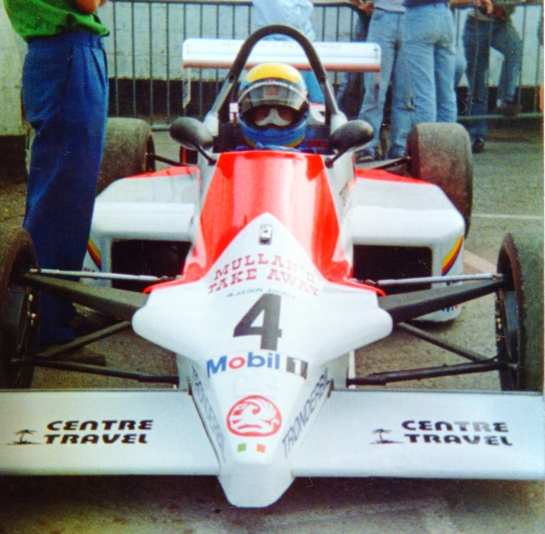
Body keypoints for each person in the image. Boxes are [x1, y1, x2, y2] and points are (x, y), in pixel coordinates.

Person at [3, 0, 109, 348]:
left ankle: (49, 313)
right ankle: (46, 328)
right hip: (69, 54)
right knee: (63, 200)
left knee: (57, 192)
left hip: (58, 54)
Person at [395, 0, 462, 148]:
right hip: (445, 13)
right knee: (446, 93)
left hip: (420, 14)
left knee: (424, 94)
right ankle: (447, 150)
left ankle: (427, 152)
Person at [462, 2, 523, 153]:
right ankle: (478, 136)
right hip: (476, 23)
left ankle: (505, 98)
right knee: (477, 82)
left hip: (501, 22)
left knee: (515, 50)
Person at [354, 0, 410, 161]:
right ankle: (366, 147)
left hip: (411, 16)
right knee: (374, 89)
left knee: (406, 93)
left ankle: (400, 148)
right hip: (384, 15)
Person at [252, 0, 324, 104]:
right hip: (287, 47)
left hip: (302, 43)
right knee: (295, 95)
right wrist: (306, 5)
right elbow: (291, 18)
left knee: (318, 95)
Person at [237, 62, 310, 148]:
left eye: (283, 113)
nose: (273, 120)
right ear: (248, 115)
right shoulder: (229, 159)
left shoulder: (318, 159)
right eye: (264, 113)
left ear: (299, 114)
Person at [336, 0, 373, 119]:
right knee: (355, 73)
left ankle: (340, 116)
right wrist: (359, 5)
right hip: (369, 19)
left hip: (373, 17)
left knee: (356, 73)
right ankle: (341, 118)